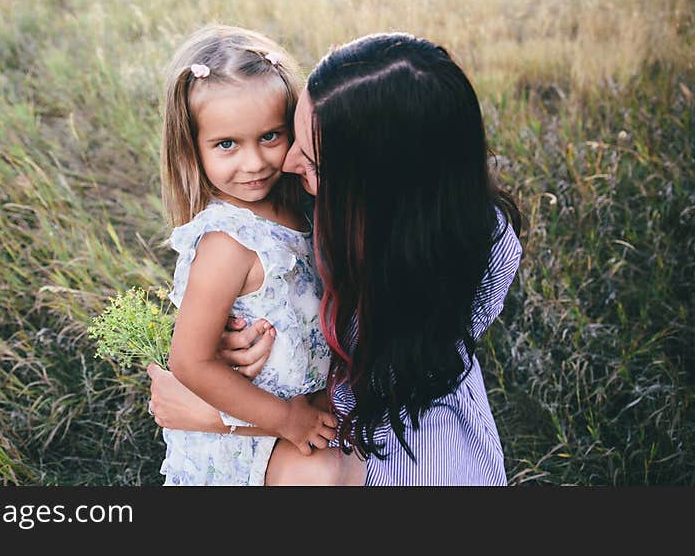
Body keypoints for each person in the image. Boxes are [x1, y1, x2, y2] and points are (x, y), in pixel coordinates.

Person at [148, 31, 523, 485]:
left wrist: (216, 415)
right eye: (295, 135)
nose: (281, 164)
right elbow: (200, 345)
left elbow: (361, 398)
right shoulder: (257, 227)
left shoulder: (474, 246)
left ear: (379, 185)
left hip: (388, 445)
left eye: (309, 157)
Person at [156, 24, 339, 486]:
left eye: (271, 136)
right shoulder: (228, 241)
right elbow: (190, 362)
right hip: (246, 436)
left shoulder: (299, 206)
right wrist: (284, 420)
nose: (254, 162)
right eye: (226, 145)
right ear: (192, 149)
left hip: (301, 415)